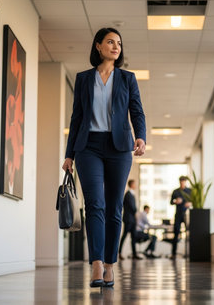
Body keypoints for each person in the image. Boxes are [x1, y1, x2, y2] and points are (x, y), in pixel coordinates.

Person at [62, 27, 146, 288]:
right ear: (98, 46)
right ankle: (96, 263)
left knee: (114, 207)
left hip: (119, 147)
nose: (116, 46)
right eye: (110, 42)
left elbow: (137, 111)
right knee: (94, 204)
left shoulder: (127, 78)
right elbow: (76, 118)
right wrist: (69, 155)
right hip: (89, 147)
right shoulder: (84, 78)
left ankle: (110, 264)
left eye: (119, 43)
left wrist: (140, 136)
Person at [119, 179, 141, 260]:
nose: (136, 185)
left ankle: (134, 254)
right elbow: (133, 208)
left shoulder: (132, 194)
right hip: (128, 219)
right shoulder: (128, 194)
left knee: (134, 236)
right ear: (131, 185)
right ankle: (119, 253)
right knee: (124, 236)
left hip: (132, 219)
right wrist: (136, 212)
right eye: (135, 184)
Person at [170, 176, 191, 259]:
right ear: (179, 182)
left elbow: (193, 201)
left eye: (183, 182)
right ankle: (173, 254)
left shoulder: (189, 191)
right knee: (176, 233)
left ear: (185, 182)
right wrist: (176, 201)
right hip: (178, 215)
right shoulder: (175, 191)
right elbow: (171, 202)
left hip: (186, 215)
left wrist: (190, 203)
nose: (182, 183)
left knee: (189, 233)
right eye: (181, 182)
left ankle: (189, 253)